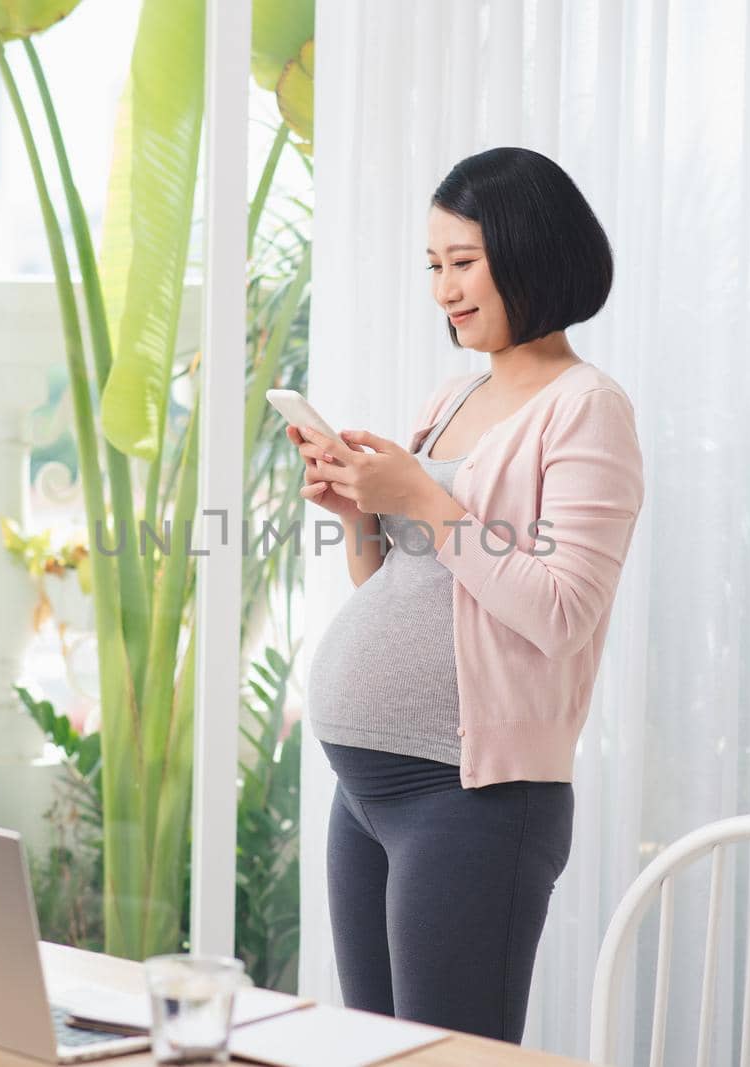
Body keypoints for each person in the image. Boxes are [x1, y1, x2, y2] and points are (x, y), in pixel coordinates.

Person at [290, 146, 645, 1044]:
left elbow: (563, 610)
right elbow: (402, 583)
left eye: (463, 263)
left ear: (527, 251)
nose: (444, 289)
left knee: (448, 1059)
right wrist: (361, 512)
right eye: (434, 267)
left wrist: (424, 499)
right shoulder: (456, 395)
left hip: (470, 800)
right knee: (373, 1052)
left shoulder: (587, 407)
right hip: (364, 791)